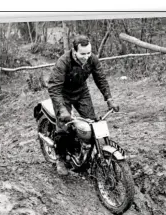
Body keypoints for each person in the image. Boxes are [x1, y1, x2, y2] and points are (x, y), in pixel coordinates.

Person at [47, 35, 119, 176]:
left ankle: (87, 154)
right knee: (63, 127)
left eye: (88, 53)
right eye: (82, 54)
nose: (86, 57)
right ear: (74, 51)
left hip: (81, 92)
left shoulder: (92, 59)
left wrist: (109, 98)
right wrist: (62, 109)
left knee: (92, 123)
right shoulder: (63, 62)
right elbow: (54, 88)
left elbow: (101, 78)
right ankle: (60, 159)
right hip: (63, 95)